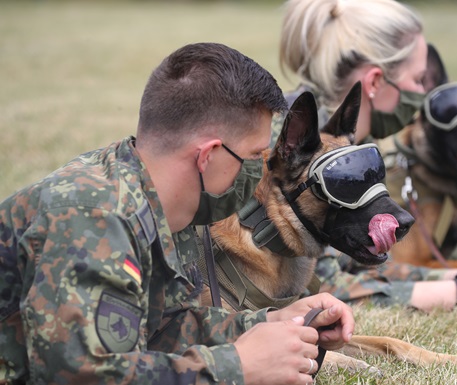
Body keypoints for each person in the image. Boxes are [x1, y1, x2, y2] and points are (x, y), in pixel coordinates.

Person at [0, 42, 355, 385]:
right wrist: (238, 367)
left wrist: (273, 322)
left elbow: (162, 326)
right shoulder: (91, 216)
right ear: (208, 156)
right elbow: (81, 376)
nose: (260, 173)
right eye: (253, 157)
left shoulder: (171, 206)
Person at [277, 0, 457, 311]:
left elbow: (358, 268)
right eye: (419, 80)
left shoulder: (349, 144)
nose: (421, 96)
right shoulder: (303, 150)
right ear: (376, 81)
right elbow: (319, 287)